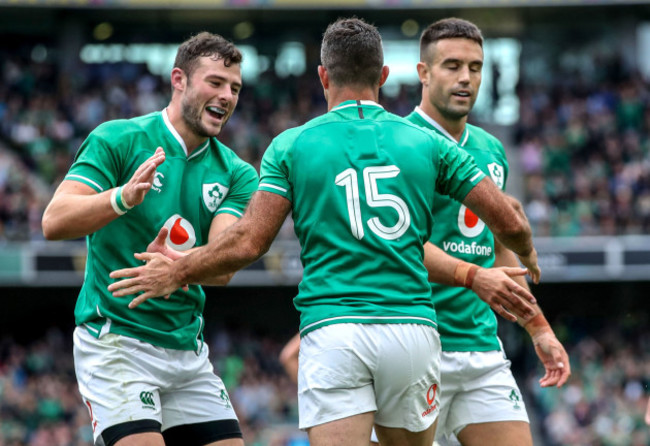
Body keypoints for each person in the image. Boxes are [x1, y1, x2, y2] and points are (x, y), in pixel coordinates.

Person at [107, 18, 541, 446]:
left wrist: (177, 272)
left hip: (334, 330)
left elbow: (248, 242)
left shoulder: (292, 144)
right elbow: (510, 221)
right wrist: (528, 252)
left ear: (323, 76)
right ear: (385, 77)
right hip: (411, 328)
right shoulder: (429, 142)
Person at [41, 32, 258, 446]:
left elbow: (222, 264)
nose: (227, 96)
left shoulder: (237, 173)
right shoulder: (119, 139)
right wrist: (121, 198)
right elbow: (55, 220)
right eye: (215, 82)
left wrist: (177, 270)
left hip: (186, 350)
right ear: (179, 80)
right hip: (117, 339)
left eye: (234, 88)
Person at [403, 18, 571, 446]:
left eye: (475, 67)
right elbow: (397, 247)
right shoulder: (399, 144)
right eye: (452, 65)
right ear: (423, 73)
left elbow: (498, 251)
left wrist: (539, 328)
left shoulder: (491, 149)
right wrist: (474, 277)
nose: (465, 78)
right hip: (414, 346)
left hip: (480, 347)